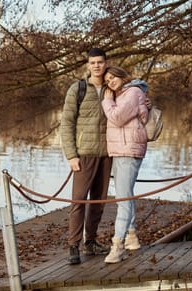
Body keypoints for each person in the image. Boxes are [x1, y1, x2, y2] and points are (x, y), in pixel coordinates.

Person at [60, 48, 112, 264]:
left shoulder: (113, 87)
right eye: (93, 63)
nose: (97, 66)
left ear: (106, 63)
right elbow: (67, 124)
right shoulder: (78, 89)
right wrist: (72, 155)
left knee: (98, 201)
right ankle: (74, 245)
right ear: (88, 65)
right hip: (84, 154)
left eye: (100, 62)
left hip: (107, 153)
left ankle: (90, 242)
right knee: (78, 200)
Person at [101, 66, 149, 263]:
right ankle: (131, 237)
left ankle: (118, 245)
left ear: (122, 76)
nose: (110, 82)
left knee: (122, 199)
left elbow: (118, 118)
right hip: (121, 149)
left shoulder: (133, 92)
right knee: (125, 195)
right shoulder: (124, 94)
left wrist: (106, 99)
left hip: (129, 149)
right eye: (107, 80)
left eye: (113, 77)